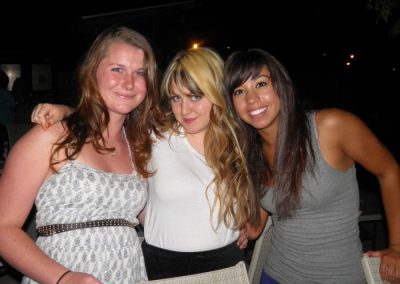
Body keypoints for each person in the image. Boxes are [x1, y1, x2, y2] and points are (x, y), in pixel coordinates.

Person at [30, 47, 257, 280]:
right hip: (165, 266)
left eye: (195, 96)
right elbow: (108, 117)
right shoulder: (154, 136)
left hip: (227, 263)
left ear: (216, 93)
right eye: (176, 98)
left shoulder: (237, 141)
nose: (184, 109)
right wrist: (67, 111)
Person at [0, 26, 165, 284]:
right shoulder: (51, 137)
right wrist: (63, 278)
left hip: (129, 274)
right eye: (117, 69)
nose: (129, 82)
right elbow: (3, 227)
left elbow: (158, 218)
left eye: (139, 73)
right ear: (93, 72)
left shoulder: (139, 146)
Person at [223, 48, 400, 283]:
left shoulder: (329, 127)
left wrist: (397, 245)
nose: (251, 99)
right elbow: (258, 222)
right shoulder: (251, 153)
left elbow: (389, 171)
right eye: (239, 91)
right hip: (276, 275)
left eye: (261, 84)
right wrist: (244, 228)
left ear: (281, 86)